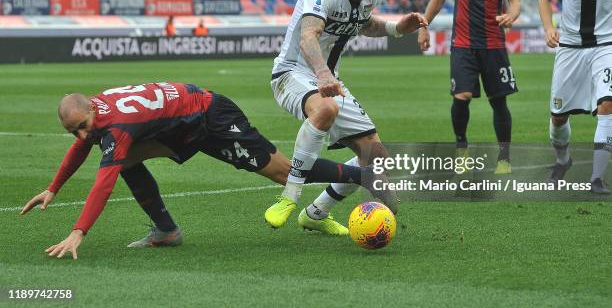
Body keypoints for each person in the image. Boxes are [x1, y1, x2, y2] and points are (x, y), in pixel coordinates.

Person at [20, 82, 394, 259]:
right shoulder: (98, 109)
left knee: (281, 172)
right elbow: (82, 144)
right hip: (182, 125)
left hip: (210, 117)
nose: (82, 135)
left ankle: (362, 175)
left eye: (83, 126)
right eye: (74, 131)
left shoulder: (114, 126)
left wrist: (78, 232)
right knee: (127, 159)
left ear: (91, 112)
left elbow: (102, 183)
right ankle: (166, 232)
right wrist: (54, 187)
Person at [266, 0, 428, 233]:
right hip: (292, 74)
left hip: (329, 80)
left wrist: (396, 28)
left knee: (377, 160)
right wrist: (323, 74)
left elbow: (363, 22)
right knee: (325, 108)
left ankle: (315, 214)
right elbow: (308, 36)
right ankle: (289, 196)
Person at [417, 0, 521, 175]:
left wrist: (512, 14)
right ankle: (461, 147)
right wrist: (424, 25)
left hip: (494, 44)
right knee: (461, 97)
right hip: (462, 43)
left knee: (498, 101)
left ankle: (504, 157)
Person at [538, 0, 611, 194]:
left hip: (606, 45)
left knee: (607, 105)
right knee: (558, 116)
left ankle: (596, 177)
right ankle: (563, 160)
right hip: (569, 47)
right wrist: (548, 28)